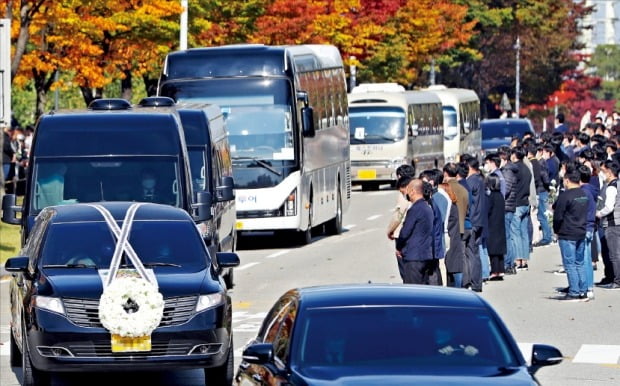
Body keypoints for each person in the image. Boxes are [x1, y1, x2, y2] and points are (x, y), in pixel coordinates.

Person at [553, 165, 589, 301]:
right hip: (581, 230)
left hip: (567, 233)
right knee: (579, 262)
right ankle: (583, 289)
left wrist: (556, 230)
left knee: (570, 264)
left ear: (567, 180)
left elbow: (558, 215)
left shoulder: (565, 195)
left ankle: (574, 291)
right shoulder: (583, 194)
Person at [396, 179, 434, 285]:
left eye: (408, 190)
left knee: (412, 291)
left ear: (412, 191)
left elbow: (405, 232)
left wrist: (399, 247)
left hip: (414, 257)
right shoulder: (427, 207)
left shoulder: (415, 209)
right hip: (426, 255)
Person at [595, 160, 620, 289]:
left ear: (609, 173)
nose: (602, 174)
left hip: (612, 222)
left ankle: (616, 280)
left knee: (614, 254)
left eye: (603, 171)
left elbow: (609, 207)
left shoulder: (611, 187)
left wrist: (599, 213)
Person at [464, 157, 487, 292]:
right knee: (476, 252)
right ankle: (477, 281)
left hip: (473, 220)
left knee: (472, 252)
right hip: (480, 220)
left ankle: (475, 281)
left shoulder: (471, 182)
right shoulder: (480, 180)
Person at [387, 175, 414, 280]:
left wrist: (390, 230)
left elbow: (397, 217)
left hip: (401, 234)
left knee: (403, 266)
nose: (401, 191)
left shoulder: (404, 199)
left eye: (401, 189)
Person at [511, 147, 532, 270]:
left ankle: (518, 260)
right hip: (525, 202)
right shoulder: (527, 169)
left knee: (516, 233)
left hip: (517, 203)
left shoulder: (516, 169)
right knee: (524, 233)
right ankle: (524, 259)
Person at [440, 182, 464, 288]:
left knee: (455, 266)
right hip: (456, 237)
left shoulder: (452, 207)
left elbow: (449, 223)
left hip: (452, 237)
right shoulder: (456, 205)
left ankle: (458, 287)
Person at [486, 174, 506, 280]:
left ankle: (494, 271)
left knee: (493, 251)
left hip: (492, 225)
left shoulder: (491, 197)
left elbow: (488, 211)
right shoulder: (500, 196)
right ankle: (501, 270)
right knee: (500, 251)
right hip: (500, 225)